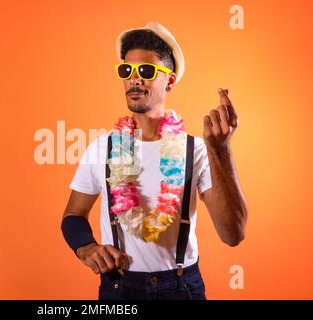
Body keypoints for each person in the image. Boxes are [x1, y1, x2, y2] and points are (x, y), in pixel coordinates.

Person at [61, 21, 248, 300]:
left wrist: (220, 151)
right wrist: (86, 248)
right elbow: (73, 216)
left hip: (182, 286)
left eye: (146, 71)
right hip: (118, 288)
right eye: (127, 70)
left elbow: (233, 235)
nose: (134, 79)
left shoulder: (196, 149)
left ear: (169, 80)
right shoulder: (103, 147)